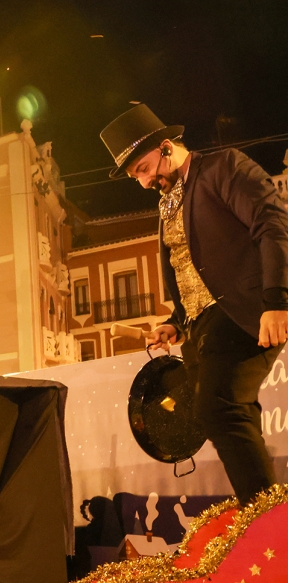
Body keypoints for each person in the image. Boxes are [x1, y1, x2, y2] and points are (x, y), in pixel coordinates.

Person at [103, 103, 288, 504]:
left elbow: (272, 224)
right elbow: (189, 267)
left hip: (245, 311)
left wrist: (277, 301)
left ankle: (264, 520)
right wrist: (176, 320)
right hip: (203, 324)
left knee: (217, 406)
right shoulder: (167, 201)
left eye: (144, 169)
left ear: (166, 147)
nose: (143, 181)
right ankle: (265, 517)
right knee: (232, 411)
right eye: (136, 175)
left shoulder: (224, 167)